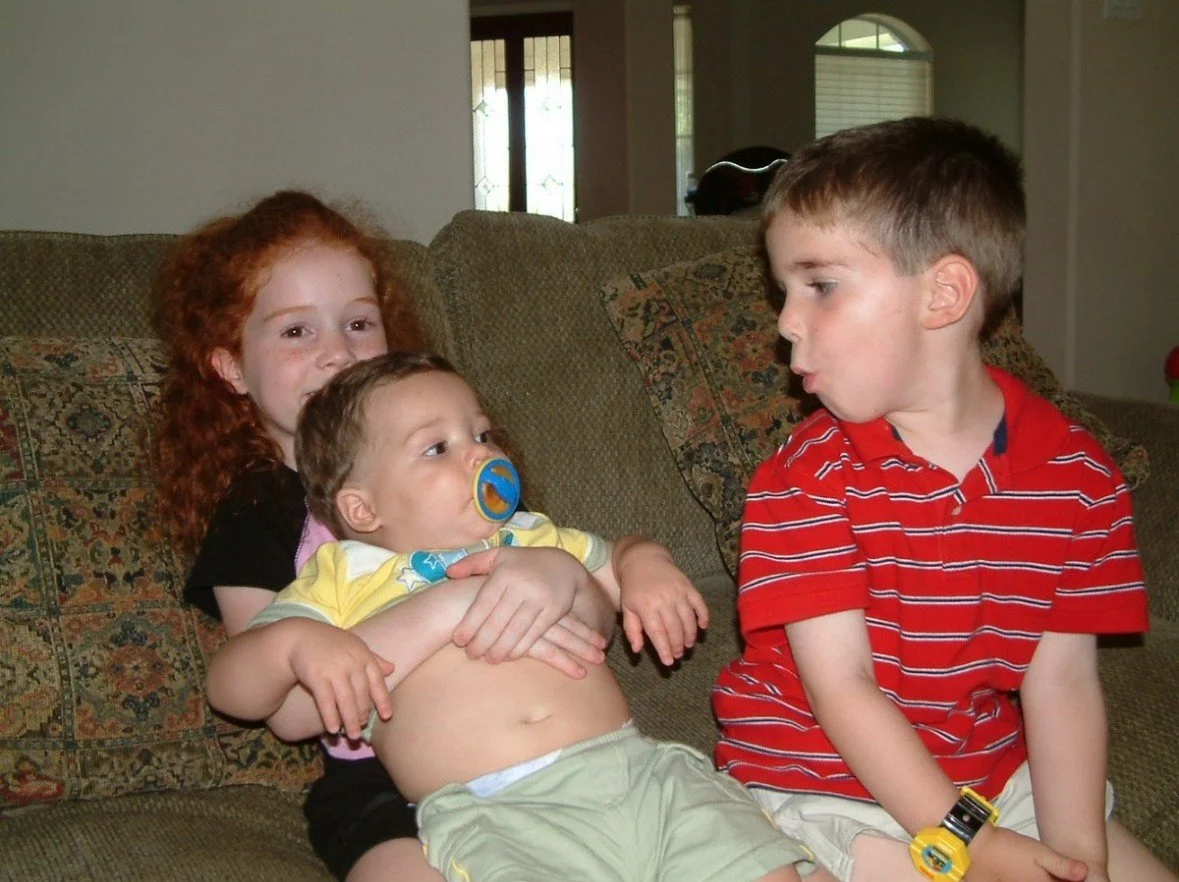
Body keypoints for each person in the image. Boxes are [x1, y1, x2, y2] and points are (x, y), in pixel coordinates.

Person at [151, 189, 679, 882]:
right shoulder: (256, 511)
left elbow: (589, 620)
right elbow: (289, 708)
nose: (337, 352)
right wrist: (449, 607)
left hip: (557, 754)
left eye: (358, 323)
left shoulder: (456, 467)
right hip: (386, 783)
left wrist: (565, 573)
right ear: (229, 366)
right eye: (296, 331)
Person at [712, 117, 1176, 882]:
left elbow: (1060, 683)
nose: (786, 321)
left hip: (991, 780)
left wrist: (1077, 858)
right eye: (783, 291)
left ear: (944, 294)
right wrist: (975, 845)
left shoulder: (1079, 479)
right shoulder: (803, 480)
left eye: (818, 285)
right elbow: (842, 690)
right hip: (821, 778)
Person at [209, 350, 816, 882]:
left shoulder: (529, 535)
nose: (480, 453)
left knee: (764, 866)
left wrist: (646, 563)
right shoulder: (345, 576)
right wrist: (292, 644)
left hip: (637, 770)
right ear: (361, 509)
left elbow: (616, 559)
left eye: (482, 433)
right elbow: (234, 689)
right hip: (500, 815)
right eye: (438, 448)